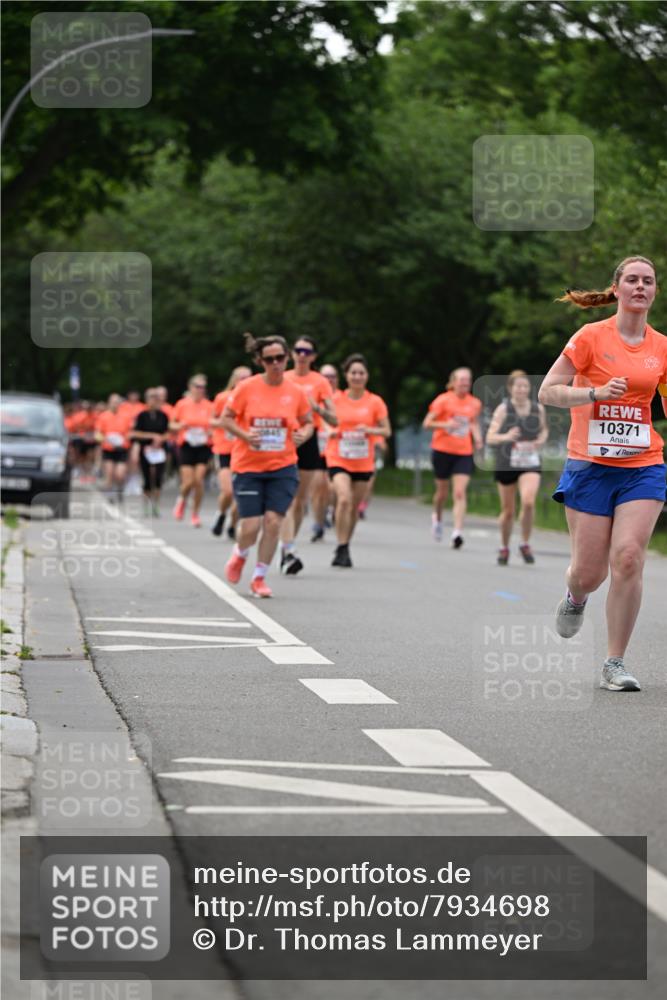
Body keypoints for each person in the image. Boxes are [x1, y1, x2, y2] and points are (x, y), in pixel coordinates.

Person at [538, 255, 667, 692]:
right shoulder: (590, 338)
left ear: (654, 292)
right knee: (589, 572)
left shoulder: (662, 348)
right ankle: (576, 596)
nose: (639, 286)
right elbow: (548, 392)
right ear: (616, 288)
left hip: (642, 465)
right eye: (631, 279)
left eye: (648, 281)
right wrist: (593, 392)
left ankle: (615, 662)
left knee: (628, 557)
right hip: (591, 466)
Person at [221, 334, 313, 597]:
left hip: (283, 466)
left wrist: (304, 434)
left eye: (280, 358)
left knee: (273, 522)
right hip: (248, 465)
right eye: (270, 359)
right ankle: (240, 554)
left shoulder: (295, 392)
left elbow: (308, 422)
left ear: (287, 358)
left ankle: (259, 577)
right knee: (250, 525)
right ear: (261, 361)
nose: (276, 363)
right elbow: (225, 419)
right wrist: (245, 435)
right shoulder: (246, 388)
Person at [325, 354, 391, 567]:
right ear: (346, 376)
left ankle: (344, 545)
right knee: (343, 498)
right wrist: (331, 431)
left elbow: (386, 430)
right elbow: (322, 422)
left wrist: (369, 429)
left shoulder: (375, 402)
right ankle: (341, 545)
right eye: (353, 373)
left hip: (363, 461)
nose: (357, 376)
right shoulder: (336, 399)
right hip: (338, 457)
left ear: (367, 376)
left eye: (361, 373)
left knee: (353, 506)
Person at [279, 336, 337, 572]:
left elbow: (334, 418)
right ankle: (289, 548)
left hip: (309, 439)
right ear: (292, 354)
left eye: (307, 351)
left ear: (313, 356)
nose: (302, 355)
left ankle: (288, 546)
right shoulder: (283, 377)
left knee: (300, 501)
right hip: (284, 438)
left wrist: (316, 407)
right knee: (287, 498)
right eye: (298, 350)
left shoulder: (320, 382)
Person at [486, 370, 549, 564]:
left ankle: (524, 543)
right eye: (518, 386)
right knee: (508, 510)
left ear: (529, 389)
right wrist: (506, 436)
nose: (521, 390)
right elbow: (490, 437)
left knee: (529, 502)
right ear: (510, 388)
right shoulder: (503, 409)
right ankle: (504, 547)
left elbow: (544, 429)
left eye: (525, 386)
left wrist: (541, 440)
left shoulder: (538, 409)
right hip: (507, 462)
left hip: (529, 461)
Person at [423, 367, 483, 547]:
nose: (465, 383)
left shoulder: (475, 403)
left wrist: (478, 439)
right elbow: (427, 423)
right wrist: (445, 424)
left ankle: (457, 532)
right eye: (461, 380)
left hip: (463, 453)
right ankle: (438, 518)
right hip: (442, 450)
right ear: (453, 382)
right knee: (441, 493)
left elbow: (473, 424)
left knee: (459, 492)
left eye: (468, 380)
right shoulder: (443, 400)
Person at [210, 365, 252, 537]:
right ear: (234, 380)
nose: (244, 381)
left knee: (240, 493)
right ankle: (221, 514)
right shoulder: (223, 397)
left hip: (244, 451)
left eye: (247, 378)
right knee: (228, 490)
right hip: (224, 449)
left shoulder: (254, 399)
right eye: (241, 378)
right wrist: (227, 423)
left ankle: (233, 525)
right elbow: (212, 420)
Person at [170, 374, 214, 527]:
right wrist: (181, 426)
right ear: (190, 387)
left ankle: (195, 514)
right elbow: (172, 425)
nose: (200, 390)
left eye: (203, 387)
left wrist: (210, 431)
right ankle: (181, 500)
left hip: (203, 445)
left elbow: (214, 425)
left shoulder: (209, 406)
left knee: (199, 480)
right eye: (197, 386)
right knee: (188, 482)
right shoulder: (182, 404)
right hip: (187, 445)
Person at [130, 388, 170, 516]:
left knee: (158, 477)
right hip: (146, 450)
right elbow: (135, 433)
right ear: (147, 400)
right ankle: (146, 504)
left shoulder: (163, 416)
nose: (154, 400)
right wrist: (152, 436)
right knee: (147, 478)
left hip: (159, 451)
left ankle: (156, 504)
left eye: (156, 397)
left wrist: (160, 439)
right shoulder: (142, 416)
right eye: (151, 397)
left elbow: (168, 433)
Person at [312, 363, 340, 539]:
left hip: (337, 450)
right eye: (325, 376)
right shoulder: (314, 397)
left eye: (332, 376)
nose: (328, 380)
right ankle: (318, 523)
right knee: (318, 488)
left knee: (333, 488)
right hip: (318, 447)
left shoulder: (341, 397)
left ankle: (333, 510)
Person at [95, 393, 133, 501]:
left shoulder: (125, 416)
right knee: (110, 473)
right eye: (113, 402)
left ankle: (120, 488)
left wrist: (124, 439)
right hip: (108, 448)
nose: (115, 404)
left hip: (122, 448)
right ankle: (110, 494)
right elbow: (97, 434)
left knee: (120, 474)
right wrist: (105, 439)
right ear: (109, 403)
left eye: (117, 402)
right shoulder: (103, 416)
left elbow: (130, 432)